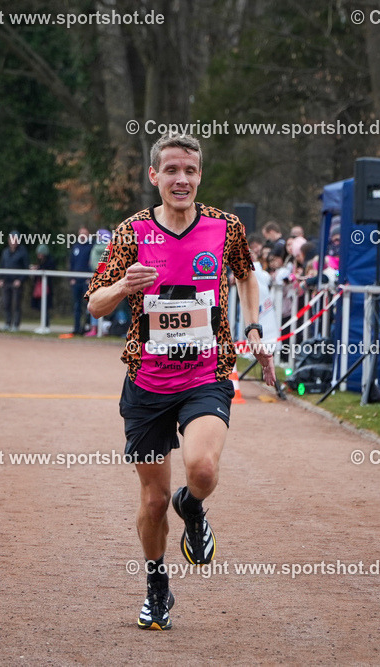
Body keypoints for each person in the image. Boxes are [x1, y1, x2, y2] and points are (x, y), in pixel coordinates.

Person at [86, 133, 275, 631]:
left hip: (205, 374)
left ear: (200, 175)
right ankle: (157, 585)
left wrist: (254, 328)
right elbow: (94, 302)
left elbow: (247, 276)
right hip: (147, 382)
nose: (181, 179)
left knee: (204, 470)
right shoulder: (131, 233)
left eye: (190, 170)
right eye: (171, 170)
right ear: (154, 177)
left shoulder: (224, 227)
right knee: (151, 500)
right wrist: (124, 285)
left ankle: (192, 507)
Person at [0, 231, 28, 331]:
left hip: (16, 283)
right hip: (6, 282)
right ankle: (7, 323)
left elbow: (26, 268)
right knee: (6, 303)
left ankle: (16, 325)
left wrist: (20, 280)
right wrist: (0, 278)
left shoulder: (22, 252)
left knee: (16, 304)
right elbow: (2, 266)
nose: (13, 242)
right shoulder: (5, 252)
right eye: (11, 239)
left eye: (15, 239)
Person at [69, 226, 92, 335]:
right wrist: (71, 277)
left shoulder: (91, 246)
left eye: (84, 233)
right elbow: (72, 263)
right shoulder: (75, 247)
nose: (82, 235)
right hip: (76, 281)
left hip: (86, 281)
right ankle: (76, 328)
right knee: (76, 306)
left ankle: (86, 328)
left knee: (88, 306)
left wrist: (90, 278)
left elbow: (92, 263)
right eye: (81, 233)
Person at [30, 244, 55, 334]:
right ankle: (43, 324)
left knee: (45, 307)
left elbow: (48, 269)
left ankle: (46, 325)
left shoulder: (49, 261)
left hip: (47, 288)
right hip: (40, 288)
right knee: (41, 306)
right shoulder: (40, 262)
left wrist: (37, 268)